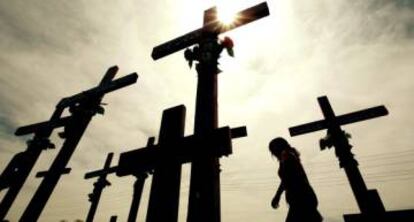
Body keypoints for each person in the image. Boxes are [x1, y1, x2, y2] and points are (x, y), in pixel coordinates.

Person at [269, 137, 323, 222]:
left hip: (301, 199)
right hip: (302, 198)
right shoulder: (288, 156)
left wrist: (277, 196)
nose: (272, 153)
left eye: (272, 149)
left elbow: (286, 178)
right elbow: (286, 178)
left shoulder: (286, 155)